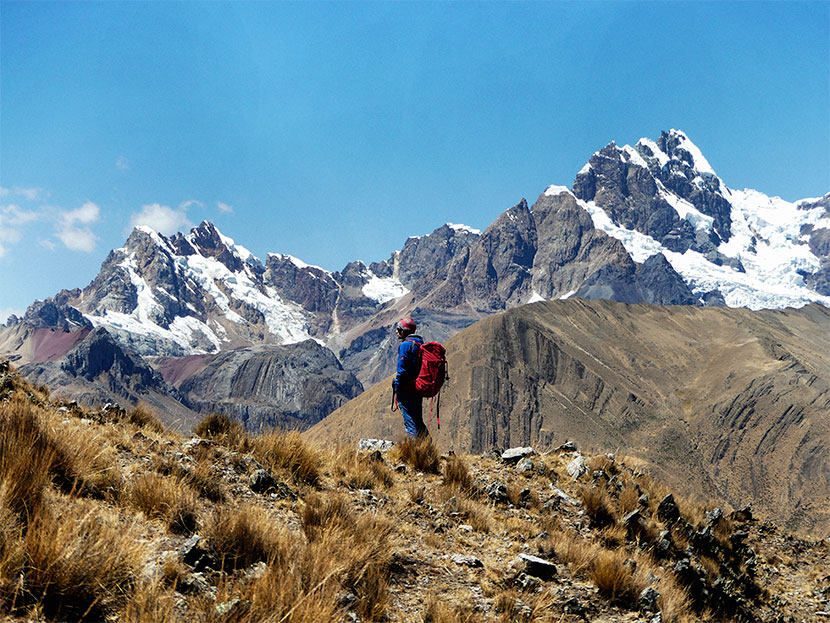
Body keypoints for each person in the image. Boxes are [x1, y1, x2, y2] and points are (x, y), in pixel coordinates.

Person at [392, 317, 428, 438]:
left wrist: (397, 385)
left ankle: (414, 452)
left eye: (398, 329)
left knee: (410, 421)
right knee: (417, 418)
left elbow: (401, 370)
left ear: (404, 331)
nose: (397, 332)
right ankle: (427, 448)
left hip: (406, 389)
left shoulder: (405, 345)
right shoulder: (419, 344)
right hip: (417, 387)